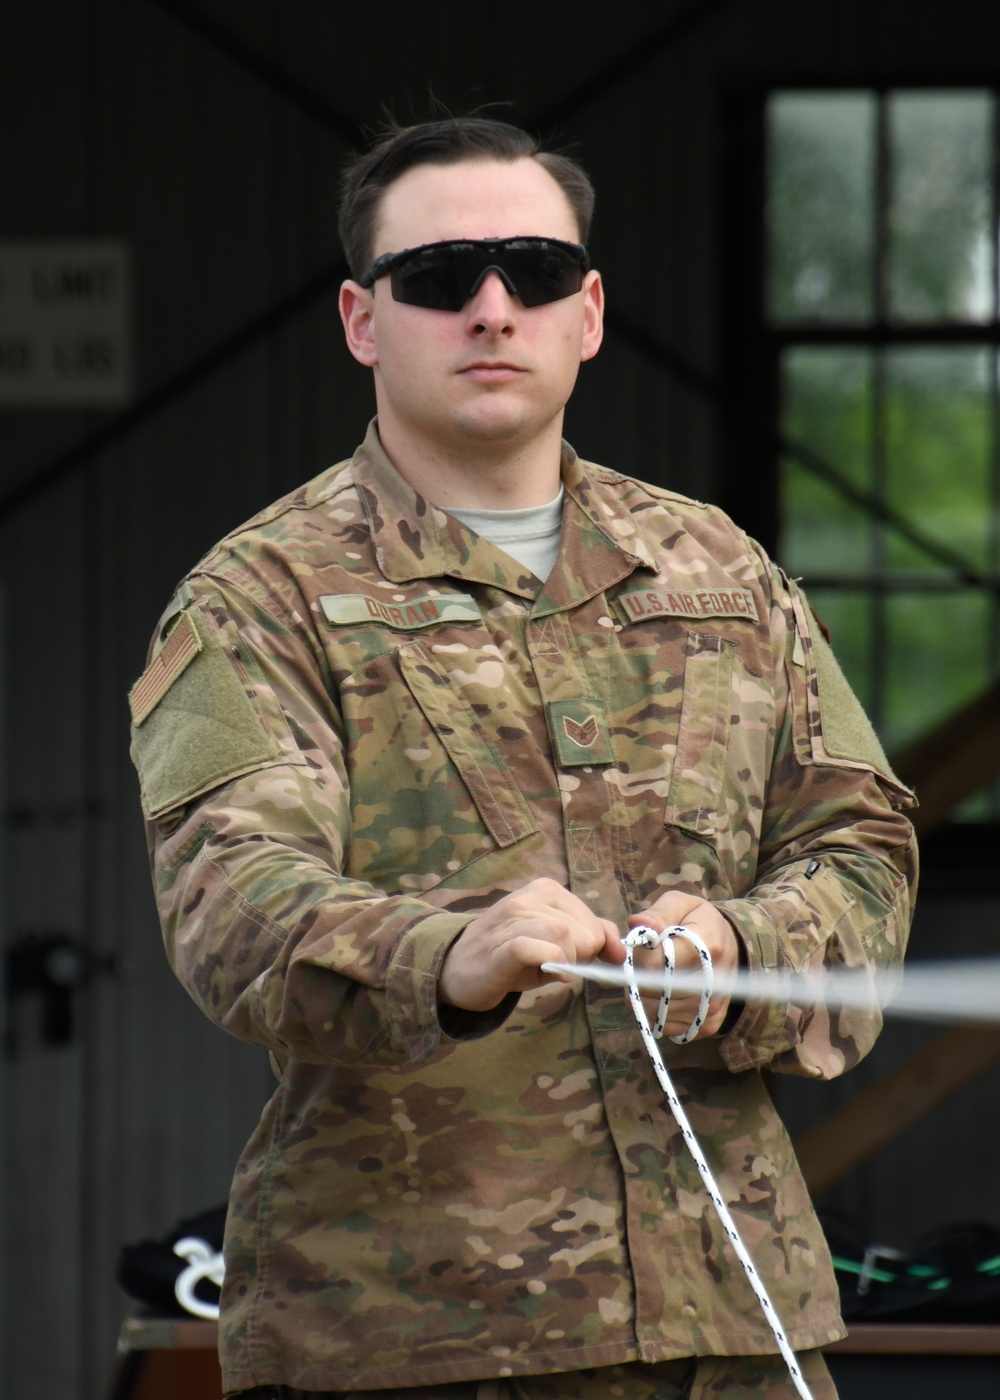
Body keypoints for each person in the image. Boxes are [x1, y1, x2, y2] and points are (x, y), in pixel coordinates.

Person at [129, 117, 917, 1400]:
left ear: (588, 310)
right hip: (411, 1337)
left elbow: (864, 851)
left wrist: (740, 941)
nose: (492, 307)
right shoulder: (255, 597)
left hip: (730, 1317)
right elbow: (232, 905)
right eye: (439, 277)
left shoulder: (720, 569)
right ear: (361, 319)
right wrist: (450, 954)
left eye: (535, 272)